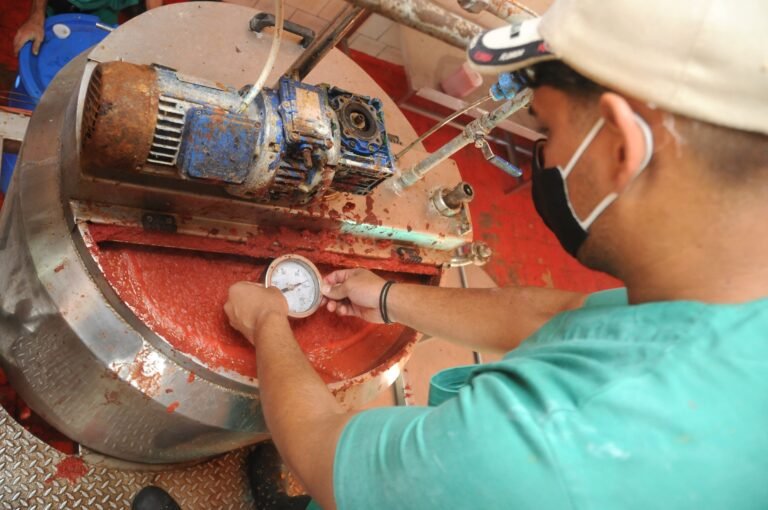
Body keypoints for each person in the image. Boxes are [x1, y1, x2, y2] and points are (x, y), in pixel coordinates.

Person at [224, 0, 768, 508]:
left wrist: (270, 318)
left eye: (547, 128)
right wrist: (387, 296)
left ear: (623, 147)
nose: (544, 152)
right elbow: (559, 320)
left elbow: (323, 453)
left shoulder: (548, 444)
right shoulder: (732, 301)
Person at [12, 0, 164, 56]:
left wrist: (157, 32)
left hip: (106, 9)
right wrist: (36, 17)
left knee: (102, 55)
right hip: (63, 7)